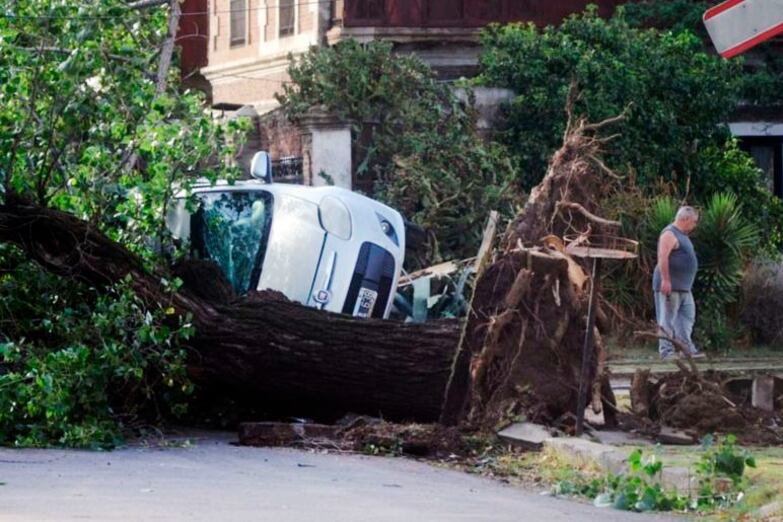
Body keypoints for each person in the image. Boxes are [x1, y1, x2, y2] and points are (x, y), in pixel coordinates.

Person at [652, 206, 705, 360]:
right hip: (671, 286)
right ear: (685, 219)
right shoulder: (669, 233)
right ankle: (666, 352)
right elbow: (662, 258)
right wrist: (666, 280)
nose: (694, 225)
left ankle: (686, 349)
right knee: (667, 319)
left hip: (684, 288)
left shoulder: (682, 235)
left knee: (687, 317)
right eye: (694, 222)